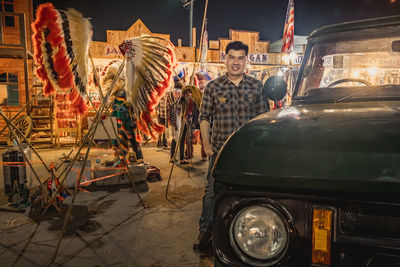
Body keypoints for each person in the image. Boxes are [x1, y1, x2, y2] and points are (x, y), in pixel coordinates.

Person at [193, 41, 270, 252]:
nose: (235, 62)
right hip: (220, 151)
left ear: (246, 60)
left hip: (249, 150)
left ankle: (251, 232)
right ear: (224, 59)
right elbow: (205, 118)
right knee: (211, 191)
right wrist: (206, 144)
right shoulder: (213, 87)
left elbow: (263, 119)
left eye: (240, 58)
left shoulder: (257, 87)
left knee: (250, 190)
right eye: (232, 57)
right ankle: (206, 231)